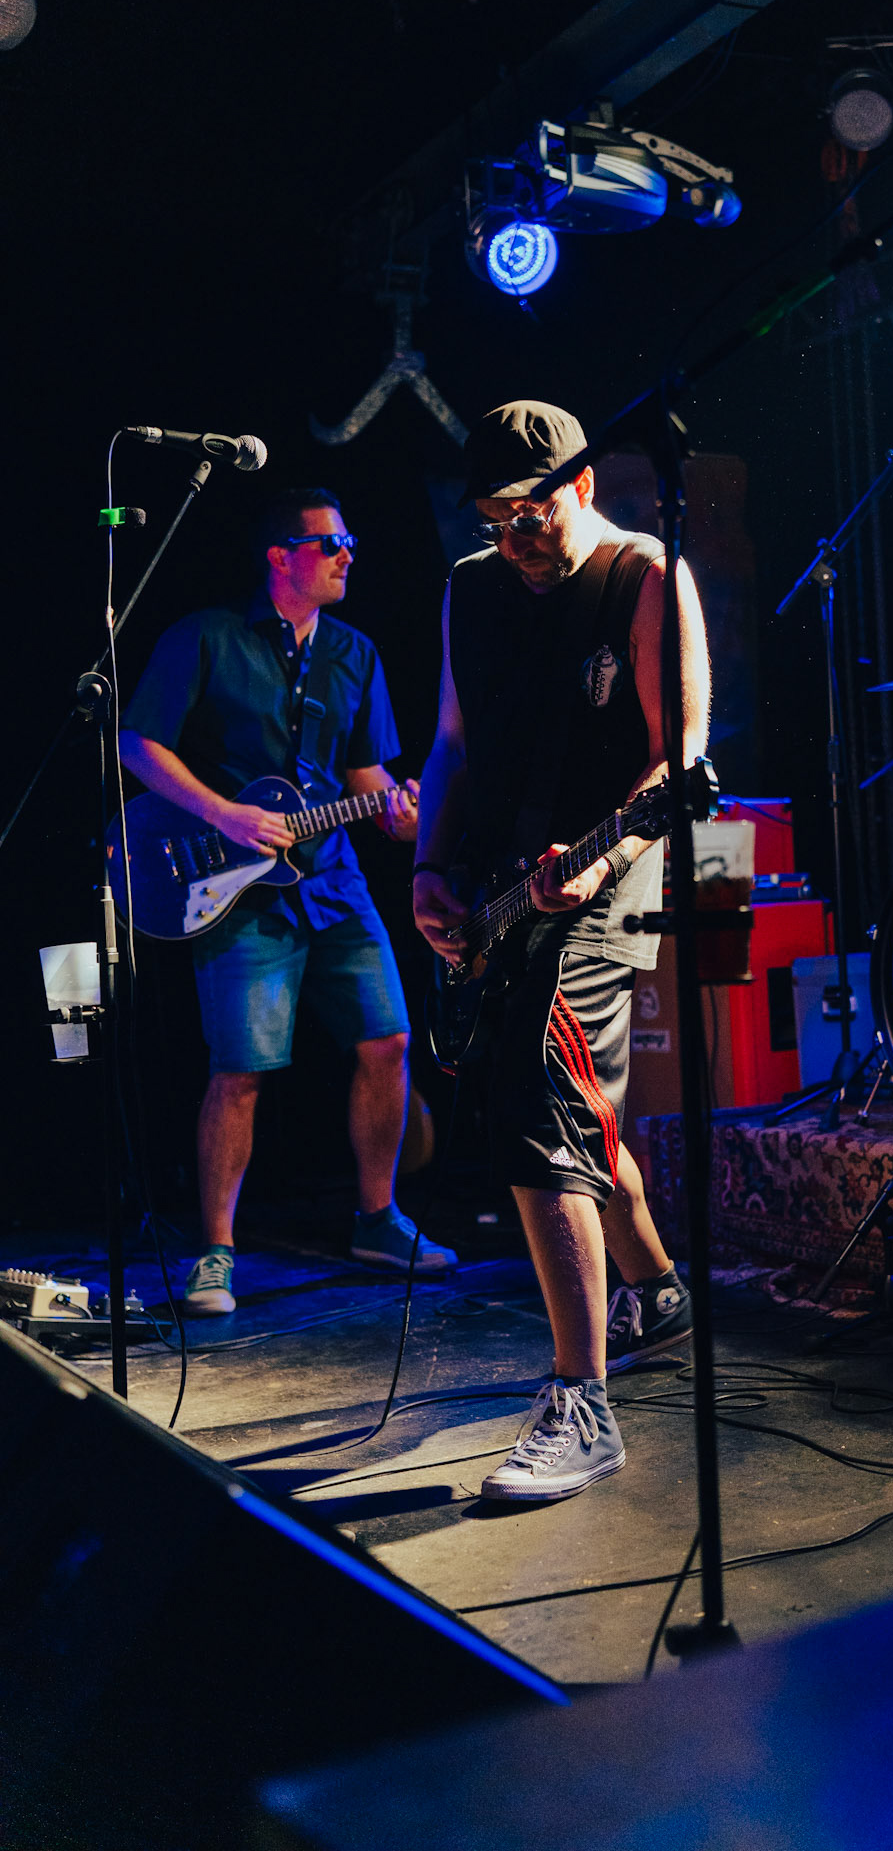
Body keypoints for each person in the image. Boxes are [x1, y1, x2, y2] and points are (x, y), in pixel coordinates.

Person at [413, 401, 707, 1503]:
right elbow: (450, 744)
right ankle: (657, 1291)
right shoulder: (470, 587)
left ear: (581, 485)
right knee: (566, 1102)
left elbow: (681, 759)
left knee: (538, 1104)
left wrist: (601, 857)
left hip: (603, 867)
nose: (514, 539)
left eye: (530, 514)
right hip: (498, 881)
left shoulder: (645, 577)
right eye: (494, 520)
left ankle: (581, 1401)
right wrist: (428, 867)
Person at [121, 486, 457, 1315]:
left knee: (389, 1040)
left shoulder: (355, 653)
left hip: (334, 883)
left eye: (350, 543)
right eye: (330, 543)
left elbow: (367, 777)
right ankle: (215, 1253)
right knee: (240, 1070)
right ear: (281, 556)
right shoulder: (207, 636)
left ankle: (377, 1220)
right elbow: (137, 742)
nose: (348, 555)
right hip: (235, 889)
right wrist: (223, 813)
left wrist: (400, 813)